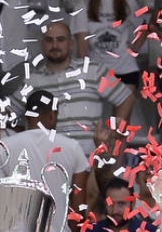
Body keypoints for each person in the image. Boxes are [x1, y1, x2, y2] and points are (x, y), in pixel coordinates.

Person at [24, 20, 133, 161]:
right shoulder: (32, 80)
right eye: (49, 40)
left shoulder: (93, 70)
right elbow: (8, 112)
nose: (55, 45)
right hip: (51, 162)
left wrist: (113, 135)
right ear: (42, 45)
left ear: (71, 44)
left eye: (61, 40)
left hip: (90, 162)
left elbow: (126, 98)